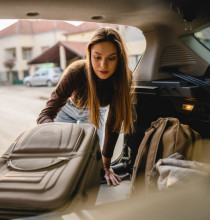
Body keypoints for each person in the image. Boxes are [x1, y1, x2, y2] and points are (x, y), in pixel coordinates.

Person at [36, 27, 136, 186]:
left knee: (90, 156)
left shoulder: (124, 77)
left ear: (120, 59)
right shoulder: (76, 71)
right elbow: (45, 114)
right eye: (97, 57)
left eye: (111, 58)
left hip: (94, 112)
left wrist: (106, 165)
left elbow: (114, 122)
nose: (103, 65)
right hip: (66, 108)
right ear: (90, 55)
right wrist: (54, 136)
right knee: (62, 152)